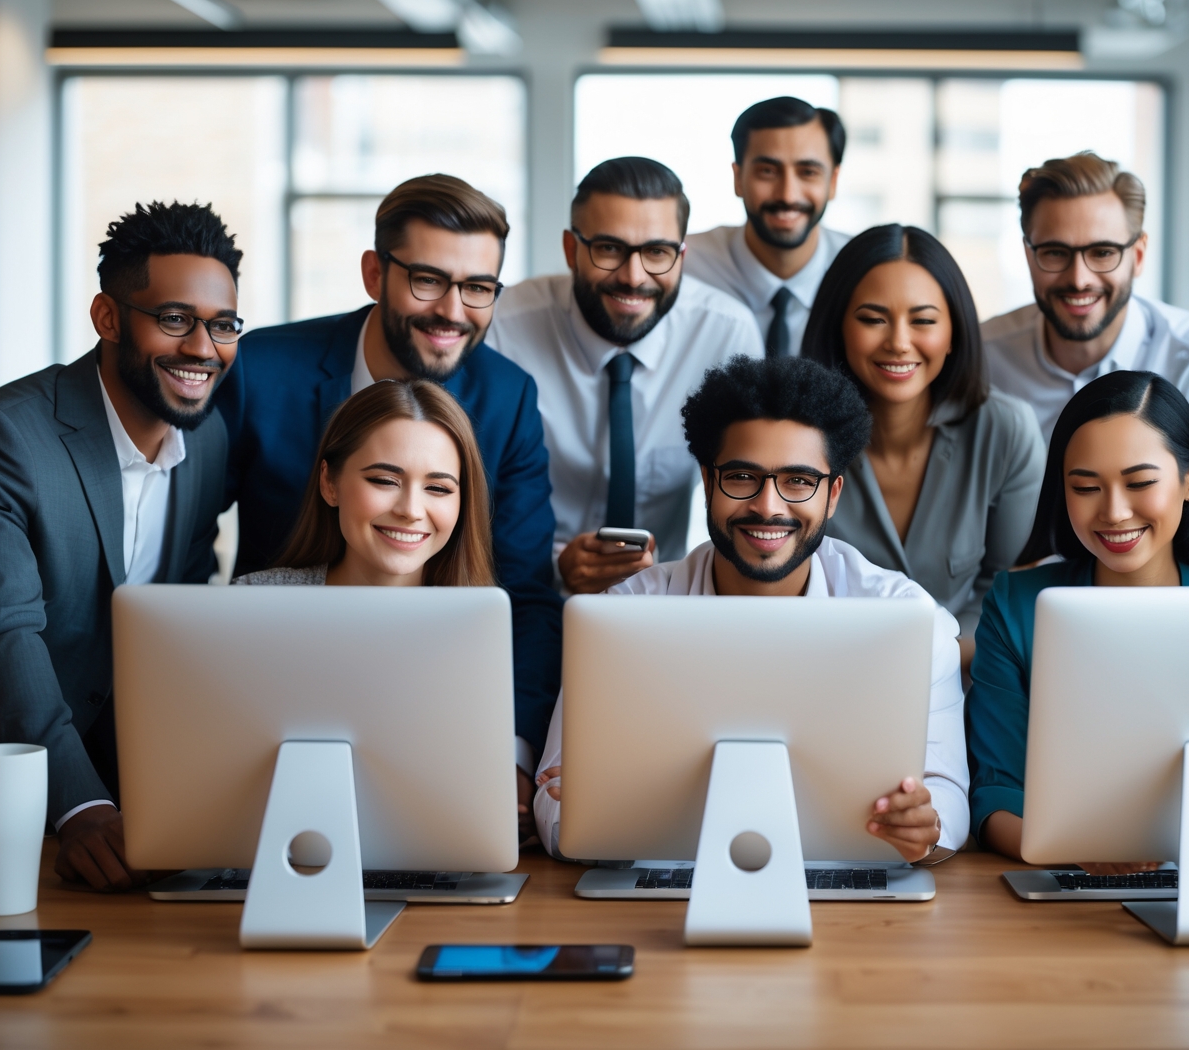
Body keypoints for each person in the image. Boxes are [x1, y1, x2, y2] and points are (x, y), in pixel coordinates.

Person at [532, 355, 969, 865]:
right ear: (707, 481)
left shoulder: (908, 619)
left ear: (832, 495)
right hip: (669, 886)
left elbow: (949, 799)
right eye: (742, 477)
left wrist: (924, 826)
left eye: (798, 481)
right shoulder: (624, 614)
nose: (768, 506)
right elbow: (552, 798)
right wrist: (590, 810)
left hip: (847, 886)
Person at [214, 174, 562, 794]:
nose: (453, 312)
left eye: (478, 288)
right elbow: (187, 542)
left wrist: (511, 754)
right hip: (273, 679)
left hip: (436, 694)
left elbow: (526, 594)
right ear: (376, 274)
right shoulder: (261, 370)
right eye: (428, 280)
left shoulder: (507, 398)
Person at [0, 201, 241, 889]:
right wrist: (82, 804)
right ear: (108, 318)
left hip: (131, 813)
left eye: (222, 325)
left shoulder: (209, 438)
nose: (202, 347)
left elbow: (180, 616)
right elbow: (1, 637)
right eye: (174, 319)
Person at [965, 370, 1189, 867]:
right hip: (1063, 880)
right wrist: (1078, 850)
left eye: (1139, 483)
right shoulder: (1016, 607)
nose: (1113, 512)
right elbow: (995, 795)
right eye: (1086, 487)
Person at [486, 157, 762, 593]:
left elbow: (750, 486)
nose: (634, 278)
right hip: (520, 588)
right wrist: (554, 563)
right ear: (571, 249)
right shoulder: (502, 326)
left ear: (681, 256)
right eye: (610, 249)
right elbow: (466, 486)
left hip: (663, 603)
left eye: (657, 252)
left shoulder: (727, 333)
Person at [802, 224, 1044, 654]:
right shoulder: (796, 436)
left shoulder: (1005, 431)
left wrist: (933, 654)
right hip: (822, 671)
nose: (898, 342)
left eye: (923, 320)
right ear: (839, 325)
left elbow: (1008, 587)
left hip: (965, 679)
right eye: (873, 319)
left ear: (954, 332)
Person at [982, 152, 1189, 443]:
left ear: (1139, 255)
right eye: (1055, 253)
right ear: (1028, 255)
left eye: (1103, 253)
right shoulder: (983, 359)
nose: (1079, 280)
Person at [234, 379, 493, 589]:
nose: (411, 510)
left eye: (438, 488)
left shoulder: (482, 623)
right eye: (385, 481)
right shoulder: (249, 604)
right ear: (329, 483)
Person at [684, 97, 852, 357]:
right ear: (738, 178)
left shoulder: (863, 271)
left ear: (833, 182)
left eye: (808, 172)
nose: (787, 195)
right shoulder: (683, 265)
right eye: (767, 171)